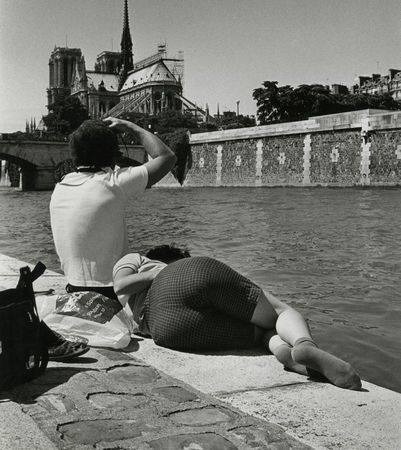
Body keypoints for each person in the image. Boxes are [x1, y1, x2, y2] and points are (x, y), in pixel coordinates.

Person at [113, 245, 361, 391]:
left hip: (164, 327)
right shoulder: (139, 258)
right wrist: (168, 269)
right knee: (279, 313)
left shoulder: (127, 311)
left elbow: (119, 291)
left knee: (257, 333)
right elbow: (120, 285)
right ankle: (304, 344)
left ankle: (284, 353)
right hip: (189, 276)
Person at [50, 117, 176, 299]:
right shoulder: (113, 183)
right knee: (169, 261)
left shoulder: (61, 186)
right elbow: (167, 157)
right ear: (112, 154)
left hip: (74, 288)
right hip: (113, 292)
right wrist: (130, 126)